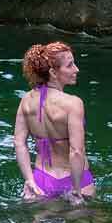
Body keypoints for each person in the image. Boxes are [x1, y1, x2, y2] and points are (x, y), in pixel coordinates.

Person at [14, 41, 94, 201]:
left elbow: (19, 142)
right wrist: (77, 190)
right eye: (70, 65)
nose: (76, 69)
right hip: (75, 179)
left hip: (42, 179)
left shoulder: (26, 100)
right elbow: (76, 151)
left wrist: (29, 180)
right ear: (53, 72)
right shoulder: (73, 103)